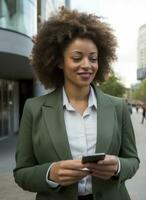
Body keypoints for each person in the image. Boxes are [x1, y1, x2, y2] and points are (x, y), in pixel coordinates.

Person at [13, 7, 139, 200]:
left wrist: (118, 166)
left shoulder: (118, 106)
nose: (87, 65)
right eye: (77, 58)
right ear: (59, 62)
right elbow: (22, 173)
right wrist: (50, 174)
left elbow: (133, 160)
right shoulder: (34, 108)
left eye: (93, 58)